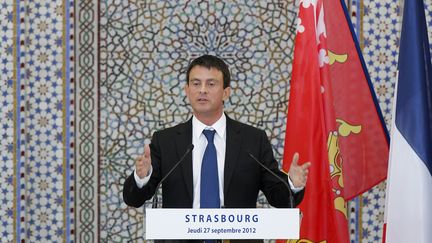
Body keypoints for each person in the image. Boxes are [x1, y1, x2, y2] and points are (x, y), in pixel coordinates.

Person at [123, 55, 311, 239]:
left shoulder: (253, 140)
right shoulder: (165, 141)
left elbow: (278, 198)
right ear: (187, 90)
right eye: (196, 84)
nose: (202, 90)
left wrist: (292, 185)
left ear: (226, 92)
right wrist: (141, 178)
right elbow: (134, 199)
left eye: (211, 84)